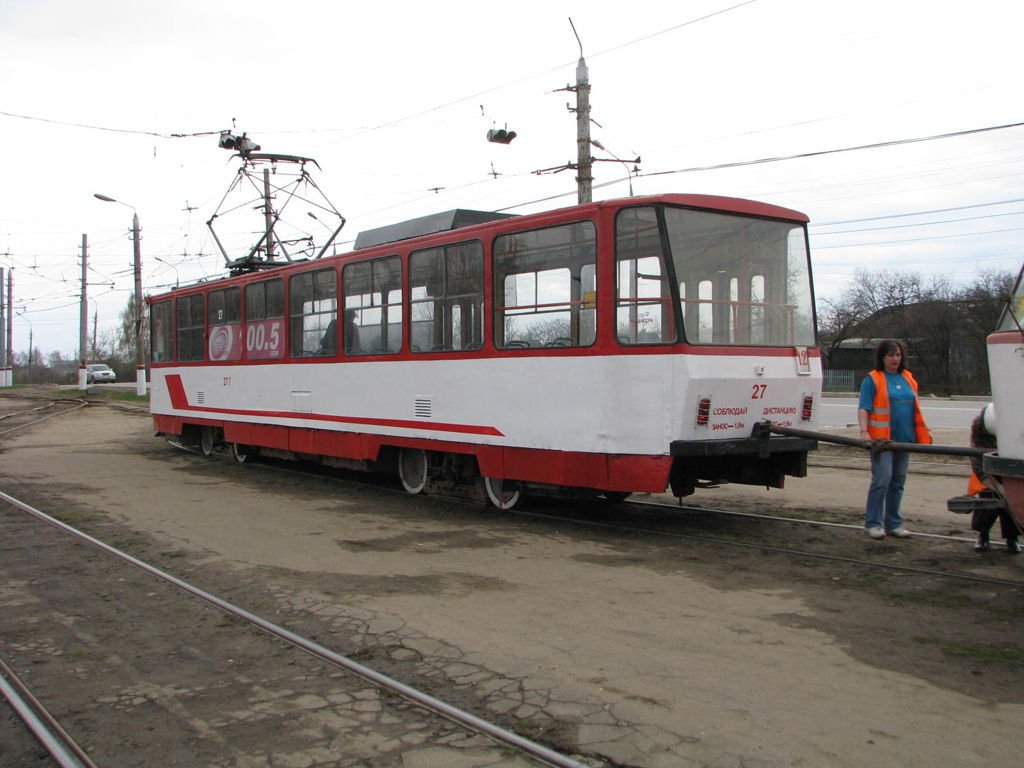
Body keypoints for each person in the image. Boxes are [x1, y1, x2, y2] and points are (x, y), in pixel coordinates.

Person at [857, 339, 932, 539]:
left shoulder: (908, 378)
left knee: (898, 481)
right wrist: (864, 432)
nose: (895, 359)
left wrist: (924, 429)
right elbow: (864, 407)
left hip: (904, 439)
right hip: (882, 442)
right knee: (882, 480)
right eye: (891, 355)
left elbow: (914, 408)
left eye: (898, 355)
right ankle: (872, 523)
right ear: (882, 357)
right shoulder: (873, 379)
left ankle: (893, 524)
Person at [965, 412, 1021, 553]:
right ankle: (983, 535)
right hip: (987, 468)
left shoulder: (1015, 423)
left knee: (1012, 502)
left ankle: (1012, 538)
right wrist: (988, 481)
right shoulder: (980, 427)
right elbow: (976, 460)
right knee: (987, 499)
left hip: (1010, 465)